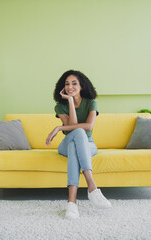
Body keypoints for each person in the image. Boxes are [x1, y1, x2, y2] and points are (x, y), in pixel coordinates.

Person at [46, 70, 111, 219]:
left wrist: (59, 127)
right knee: (77, 135)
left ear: (81, 86)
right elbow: (74, 128)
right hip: (66, 143)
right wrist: (69, 101)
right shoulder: (60, 107)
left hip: (88, 144)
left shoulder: (91, 103)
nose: (70, 86)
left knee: (76, 144)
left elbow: (88, 126)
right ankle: (92, 188)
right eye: (67, 84)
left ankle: (71, 203)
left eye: (74, 83)